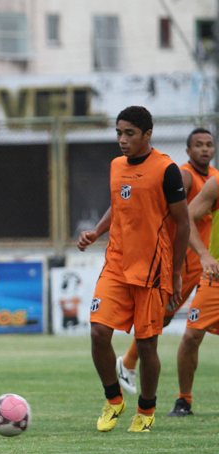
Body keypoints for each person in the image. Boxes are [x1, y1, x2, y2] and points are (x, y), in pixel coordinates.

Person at [77, 106, 189, 433]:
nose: (122, 140)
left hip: (152, 269)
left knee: (146, 345)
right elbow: (119, 203)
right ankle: (114, 400)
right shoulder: (116, 166)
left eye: (130, 133)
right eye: (118, 133)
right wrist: (97, 231)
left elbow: (183, 223)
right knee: (98, 333)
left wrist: (176, 273)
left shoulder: (166, 169)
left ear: (147, 134)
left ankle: (146, 409)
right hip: (116, 264)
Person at [115, 129, 215, 399]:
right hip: (184, 261)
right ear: (188, 151)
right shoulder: (185, 175)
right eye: (198, 145)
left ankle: (129, 362)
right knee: (160, 317)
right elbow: (176, 216)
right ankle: (128, 362)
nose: (204, 149)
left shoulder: (213, 178)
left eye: (209, 144)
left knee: (166, 318)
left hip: (203, 266)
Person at [165, 161, 219, 416]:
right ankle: (184, 400)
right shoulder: (216, 184)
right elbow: (186, 217)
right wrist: (204, 254)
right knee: (190, 337)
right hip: (216, 278)